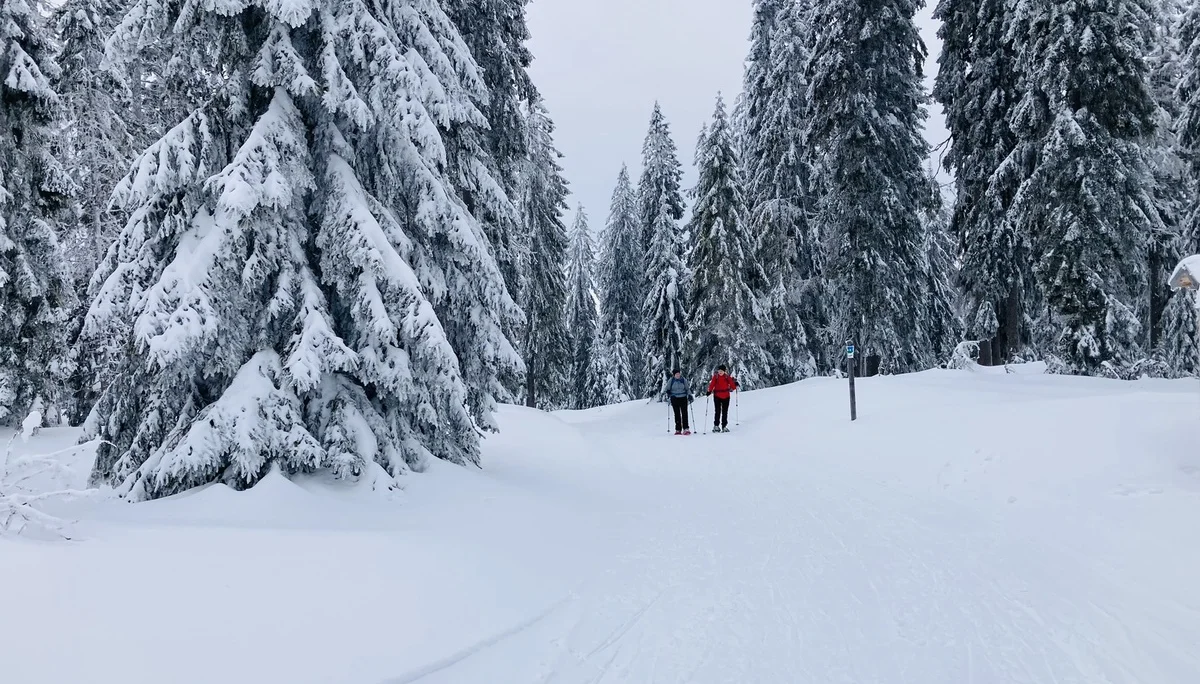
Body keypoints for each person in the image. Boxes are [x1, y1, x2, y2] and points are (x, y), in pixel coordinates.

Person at [705, 365, 738, 432]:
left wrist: (735, 384)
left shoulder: (727, 377)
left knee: (725, 412)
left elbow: (733, 387)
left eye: (721, 371)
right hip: (717, 396)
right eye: (719, 370)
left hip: (726, 396)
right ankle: (716, 426)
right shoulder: (716, 377)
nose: (720, 372)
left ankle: (724, 426)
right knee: (717, 411)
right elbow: (712, 385)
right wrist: (709, 391)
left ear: (724, 371)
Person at [665, 369, 692, 435]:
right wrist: (668, 392)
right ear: (674, 375)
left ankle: (686, 428)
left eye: (678, 374)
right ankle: (678, 429)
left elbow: (687, 388)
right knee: (677, 414)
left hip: (683, 398)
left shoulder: (683, 380)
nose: (678, 375)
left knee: (684, 413)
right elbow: (667, 388)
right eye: (676, 374)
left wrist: (689, 395)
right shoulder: (671, 381)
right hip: (674, 398)